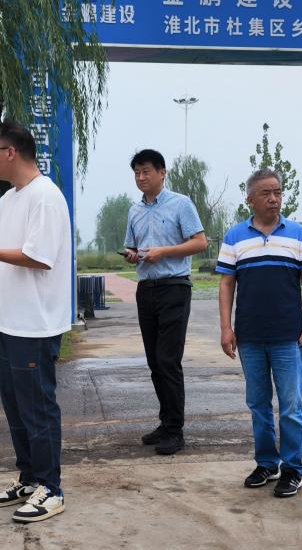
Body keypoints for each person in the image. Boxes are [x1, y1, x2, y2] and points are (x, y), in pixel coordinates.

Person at [0, 121, 72, 523]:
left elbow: (39, 257)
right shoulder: (10, 200)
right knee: (15, 406)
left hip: (35, 323)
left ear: (10, 152)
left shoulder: (46, 197)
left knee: (38, 408)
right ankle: (30, 478)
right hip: (9, 320)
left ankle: (51, 489)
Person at [216, 168, 302, 498]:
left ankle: (292, 468)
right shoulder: (235, 237)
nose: (274, 198)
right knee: (258, 404)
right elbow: (226, 284)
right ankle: (266, 463)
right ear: (250, 199)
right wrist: (226, 328)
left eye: (277, 192)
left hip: (289, 337)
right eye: (266, 193)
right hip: (249, 338)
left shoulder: (298, 234)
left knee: (291, 406)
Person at [123, 149, 207, 456]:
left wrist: (164, 251)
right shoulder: (134, 210)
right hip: (146, 289)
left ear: (162, 172)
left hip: (174, 288)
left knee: (168, 359)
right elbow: (132, 247)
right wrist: (133, 255)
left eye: (146, 171)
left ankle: (175, 431)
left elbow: (200, 242)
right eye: (137, 173)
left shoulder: (181, 203)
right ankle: (165, 421)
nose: (141, 177)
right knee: (154, 361)